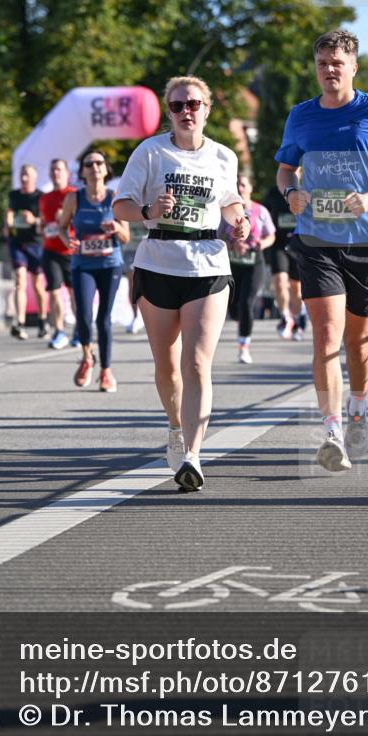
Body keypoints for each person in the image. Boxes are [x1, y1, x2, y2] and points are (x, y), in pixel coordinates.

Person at [275, 30, 368, 473]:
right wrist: (291, 192)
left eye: (337, 63)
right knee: (326, 335)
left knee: (358, 340)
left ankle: (358, 407)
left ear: (353, 67)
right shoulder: (301, 116)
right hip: (317, 240)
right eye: (323, 63)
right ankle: (332, 430)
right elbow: (284, 170)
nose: (330, 70)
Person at [113, 75, 249, 492]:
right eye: (177, 106)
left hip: (208, 264)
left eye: (193, 104)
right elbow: (120, 205)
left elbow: (230, 202)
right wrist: (150, 210)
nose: (186, 111)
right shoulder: (150, 151)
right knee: (167, 367)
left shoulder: (224, 156)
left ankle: (192, 454)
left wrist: (240, 222)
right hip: (158, 263)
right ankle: (176, 426)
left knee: (197, 363)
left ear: (207, 109)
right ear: (169, 112)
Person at [58, 150, 129, 393]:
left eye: (99, 162)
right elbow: (61, 227)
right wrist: (67, 241)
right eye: (89, 163)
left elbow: (125, 237)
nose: (95, 166)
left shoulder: (115, 198)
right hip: (82, 264)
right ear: (83, 171)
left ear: (106, 169)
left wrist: (116, 227)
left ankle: (106, 371)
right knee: (84, 315)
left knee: (103, 318)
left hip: (110, 264)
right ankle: (88, 356)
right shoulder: (74, 198)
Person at [219, 175, 275, 363]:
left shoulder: (261, 211)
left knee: (247, 302)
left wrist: (261, 244)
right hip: (232, 263)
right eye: (237, 185)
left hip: (254, 263)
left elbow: (271, 235)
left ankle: (244, 346)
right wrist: (230, 244)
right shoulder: (226, 210)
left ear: (251, 188)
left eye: (243, 184)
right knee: (234, 307)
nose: (240, 188)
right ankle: (239, 318)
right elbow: (217, 235)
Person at [6, 163, 48, 339]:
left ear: (35, 178)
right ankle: (20, 323)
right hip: (17, 242)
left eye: (27, 175)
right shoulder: (13, 195)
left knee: (38, 285)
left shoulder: (41, 197)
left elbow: (46, 222)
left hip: (36, 243)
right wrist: (8, 223)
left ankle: (42, 321)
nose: (23, 178)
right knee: (20, 281)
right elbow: (9, 212)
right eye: (22, 175)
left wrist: (34, 220)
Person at [39, 158, 76, 350]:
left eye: (59, 169)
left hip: (71, 250)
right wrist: (42, 227)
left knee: (73, 293)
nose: (55, 173)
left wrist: (66, 218)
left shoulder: (74, 195)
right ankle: (59, 331)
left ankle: (79, 330)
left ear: (67, 173)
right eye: (53, 170)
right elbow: (44, 223)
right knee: (54, 291)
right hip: (50, 250)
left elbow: (82, 222)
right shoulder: (44, 198)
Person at [263, 184, 307, 340]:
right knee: (280, 282)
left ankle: (299, 318)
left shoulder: (306, 189)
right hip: (278, 246)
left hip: (299, 245)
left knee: (296, 288)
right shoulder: (273, 193)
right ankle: (286, 317)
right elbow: (265, 216)